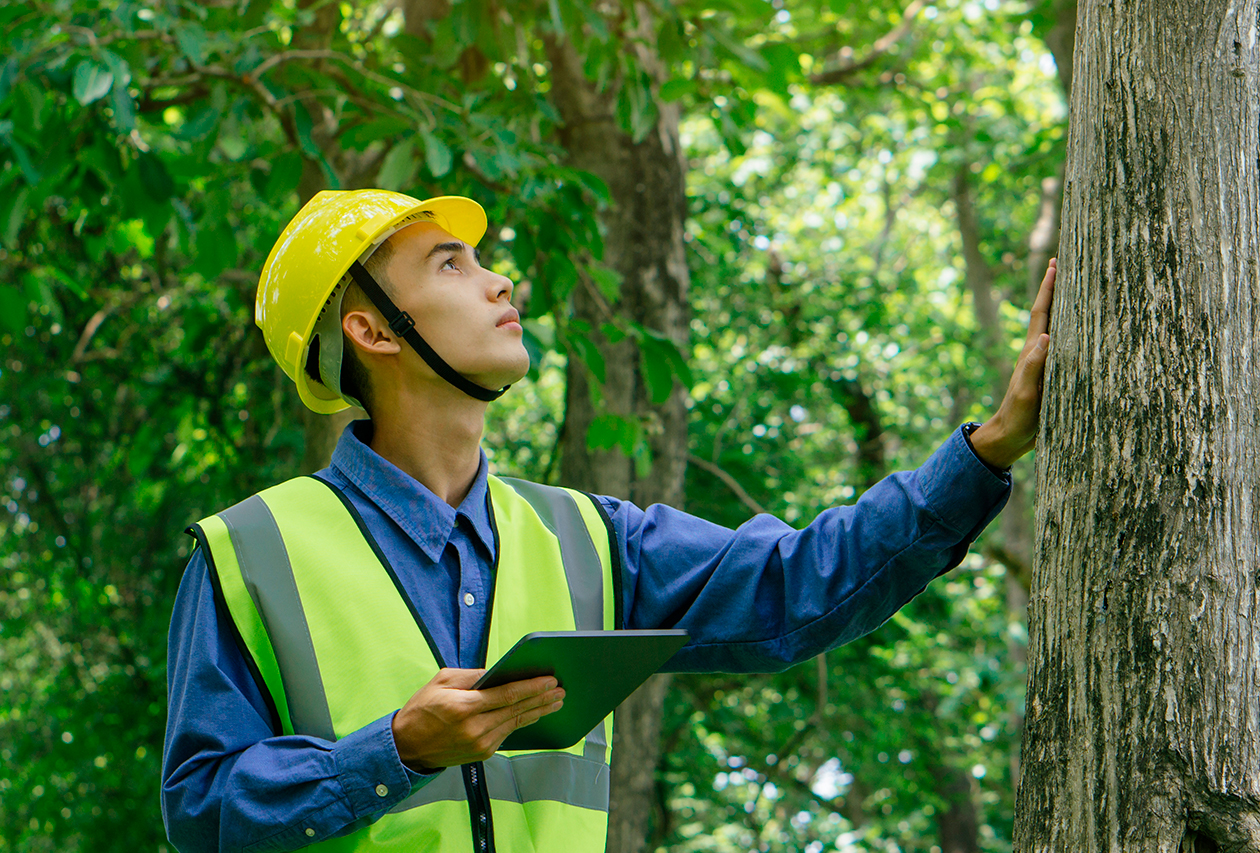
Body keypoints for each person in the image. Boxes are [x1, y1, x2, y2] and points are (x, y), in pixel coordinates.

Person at [162, 189, 1055, 853]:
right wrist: (392, 749)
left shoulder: (592, 539)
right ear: (375, 332)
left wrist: (987, 449)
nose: (497, 278)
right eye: (449, 264)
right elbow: (200, 810)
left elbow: (798, 584)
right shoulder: (250, 553)